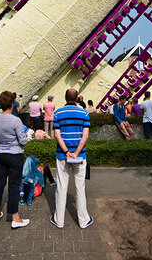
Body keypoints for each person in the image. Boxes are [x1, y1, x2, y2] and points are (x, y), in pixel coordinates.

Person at [51, 88, 93, 229]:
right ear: (77, 99)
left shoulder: (58, 113)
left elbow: (57, 135)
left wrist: (67, 151)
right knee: (80, 188)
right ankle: (83, 220)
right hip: (80, 156)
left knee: (61, 187)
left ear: (65, 97)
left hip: (62, 155)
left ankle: (59, 220)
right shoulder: (84, 113)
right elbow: (85, 136)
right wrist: (76, 153)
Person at [0, 91, 29, 229]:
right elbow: (23, 141)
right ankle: (15, 217)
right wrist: (24, 135)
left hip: (0, 154)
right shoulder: (16, 120)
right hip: (15, 154)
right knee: (14, 185)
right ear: (12, 104)